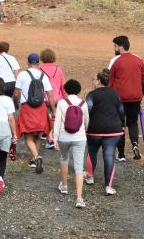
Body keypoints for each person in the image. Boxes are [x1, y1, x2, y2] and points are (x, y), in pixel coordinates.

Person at [13, 53, 56, 174]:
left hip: (27, 107)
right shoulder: (43, 75)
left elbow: (16, 93)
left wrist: (16, 104)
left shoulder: (22, 74)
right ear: (38, 64)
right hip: (41, 108)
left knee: (28, 135)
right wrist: (54, 111)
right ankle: (33, 160)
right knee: (37, 134)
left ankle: (36, 157)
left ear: (28, 62)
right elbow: (50, 96)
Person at [109, 35, 144, 161]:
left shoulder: (115, 60)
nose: (114, 48)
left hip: (119, 98)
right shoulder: (139, 60)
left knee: (120, 125)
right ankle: (135, 145)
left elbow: (109, 80)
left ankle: (121, 154)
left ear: (120, 47)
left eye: (115, 46)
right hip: (135, 97)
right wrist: (141, 93)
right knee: (132, 122)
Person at [85, 68, 125, 196]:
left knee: (92, 152)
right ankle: (108, 186)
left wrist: (85, 124)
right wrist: (123, 125)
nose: (92, 81)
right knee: (109, 156)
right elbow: (121, 111)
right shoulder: (115, 94)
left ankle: (90, 177)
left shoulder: (91, 95)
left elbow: (88, 109)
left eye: (94, 79)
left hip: (94, 130)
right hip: (113, 131)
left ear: (99, 81)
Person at [53, 79, 89, 208]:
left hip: (64, 136)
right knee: (79, 167)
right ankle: (79, 198)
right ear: (78, 90)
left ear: (66, 90)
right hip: (80, 137)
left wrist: (55, 138)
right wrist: (84, 132)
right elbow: (86, 122)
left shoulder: (62, 102)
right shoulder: (83, 103)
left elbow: (57, 122)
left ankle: (64, 185)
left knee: (64, 158)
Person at [39, 48, 66, 149]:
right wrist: (65, 97)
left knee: (46, 117)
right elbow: (63, 85)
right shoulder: (58, 68)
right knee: (55, 118)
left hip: (44, 98)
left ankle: (47, 136)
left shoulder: (39, 69)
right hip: (58, 98)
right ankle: (51, 137)